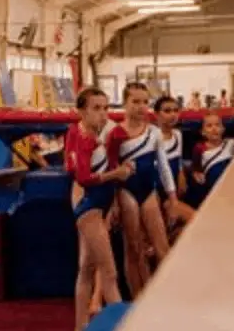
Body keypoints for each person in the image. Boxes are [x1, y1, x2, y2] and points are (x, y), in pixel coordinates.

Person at [67, 88, 134, 331]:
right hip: (88, 205)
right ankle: (123, 326)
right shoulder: (78, 134)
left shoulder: (104, 130)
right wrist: (116, 174)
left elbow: (115, 155)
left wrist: (117, 178)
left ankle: (79, 326)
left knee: (86, 268)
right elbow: (82, 177)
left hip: (101, 202)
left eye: (106, 108)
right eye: (96, 108)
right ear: (82, 111)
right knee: (109, 272)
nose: (103, 114)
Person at [107, 82, 177, 297]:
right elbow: (109, 169)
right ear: (124, 103)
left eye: (145, 102)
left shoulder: (154, 132)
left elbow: (163, 166)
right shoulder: (114, 133)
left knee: (161, 246)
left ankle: (167, 295)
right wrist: (112, 203)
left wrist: (172, 196)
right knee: (134, 248)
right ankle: (138, 296)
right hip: (126, 191)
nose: (140, 106)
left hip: (148, 191)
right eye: (135, 102)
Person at [154, 95, 195, 227]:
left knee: (192, 221)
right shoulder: (152, 136)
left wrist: (181, 173)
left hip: (174, 189)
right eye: (167, 111)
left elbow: (178, 159)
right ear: (157, 114)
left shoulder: (178, 134)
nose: (173, 115)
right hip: (157, 192)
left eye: (175, 110)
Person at [191, 112, 234, 193]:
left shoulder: (231, 143)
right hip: (212, 188)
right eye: (209, 126)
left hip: (231, 184)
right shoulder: (199, 148)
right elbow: (196, 168)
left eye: (217, 125)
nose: (214, 128)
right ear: (202, 132)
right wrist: (196, 174)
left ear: (223, 129)